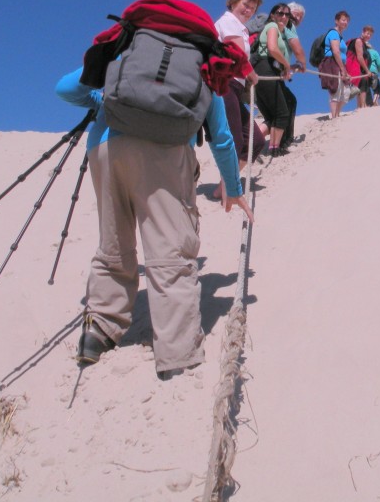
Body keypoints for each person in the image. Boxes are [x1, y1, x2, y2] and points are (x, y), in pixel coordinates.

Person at [56, 65, 253, 380]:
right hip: (166, 151)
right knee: (171, 247)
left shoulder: (125, 52)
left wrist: (102, 99)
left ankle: (99, 332)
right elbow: (222, 137)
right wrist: (233, 185)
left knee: (114, 240)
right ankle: (177, 352)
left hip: (105, 147)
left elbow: (66, 88)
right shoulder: (201, 66)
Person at [214, 0, 265, 196]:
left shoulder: (241, 29)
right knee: (235, 139)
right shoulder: (227, 22)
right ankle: (229, 189)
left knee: (256, 141)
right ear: (233, 2)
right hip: (222, 83)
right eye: (245, 4)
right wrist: (251, 74)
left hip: (235, 86)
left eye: (252, 8)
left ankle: (223, 186)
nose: (248, 10)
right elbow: (235, 53)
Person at [252, 3, 295, 156]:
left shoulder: (278, 30)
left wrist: (283, 67)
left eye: (287, 14)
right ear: (272, 15)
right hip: (265, 69)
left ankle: (259, 145)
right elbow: (272, 49)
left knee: (276, 113)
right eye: (280, 13)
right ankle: (275, 148)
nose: (284, 17)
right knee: (282, 112)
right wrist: (287, 65)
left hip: (266, 70)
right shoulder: (272, 26)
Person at [279, 1, 307, 150]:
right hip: (271, 71)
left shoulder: (281, 25)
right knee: (288, 103)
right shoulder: (289, 24)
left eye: (301, 16)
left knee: (286, 103)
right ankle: (283, 142)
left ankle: (277, 142)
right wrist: (302, 63)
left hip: (273, 69)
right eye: (297, 14)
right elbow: (297, 49)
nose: (298, 18)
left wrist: (290, 66)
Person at [318, 10, 351, 119]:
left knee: (345, 92)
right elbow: (336, 51)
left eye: (347, 21)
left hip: (340, 64)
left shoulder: (340, 36)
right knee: (335, 89)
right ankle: (334, 116)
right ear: (337, 21)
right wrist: (342, 69)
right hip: (332, 63)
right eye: (343, 20)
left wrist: (344, 68)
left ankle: (337, 114)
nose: (345, 22)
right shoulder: (333, 33)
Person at [345, 25, 375, 109]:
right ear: (363, 32)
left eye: (370, 35)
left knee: (362, 84)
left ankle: (361, 106)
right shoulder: (359, 41)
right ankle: (362, 106)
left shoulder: (364, 44)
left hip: (358, 68)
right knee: (363, 82)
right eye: (367, 33)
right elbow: (360, 57)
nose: (369, 36)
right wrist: (367, 70)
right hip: (354, 67)